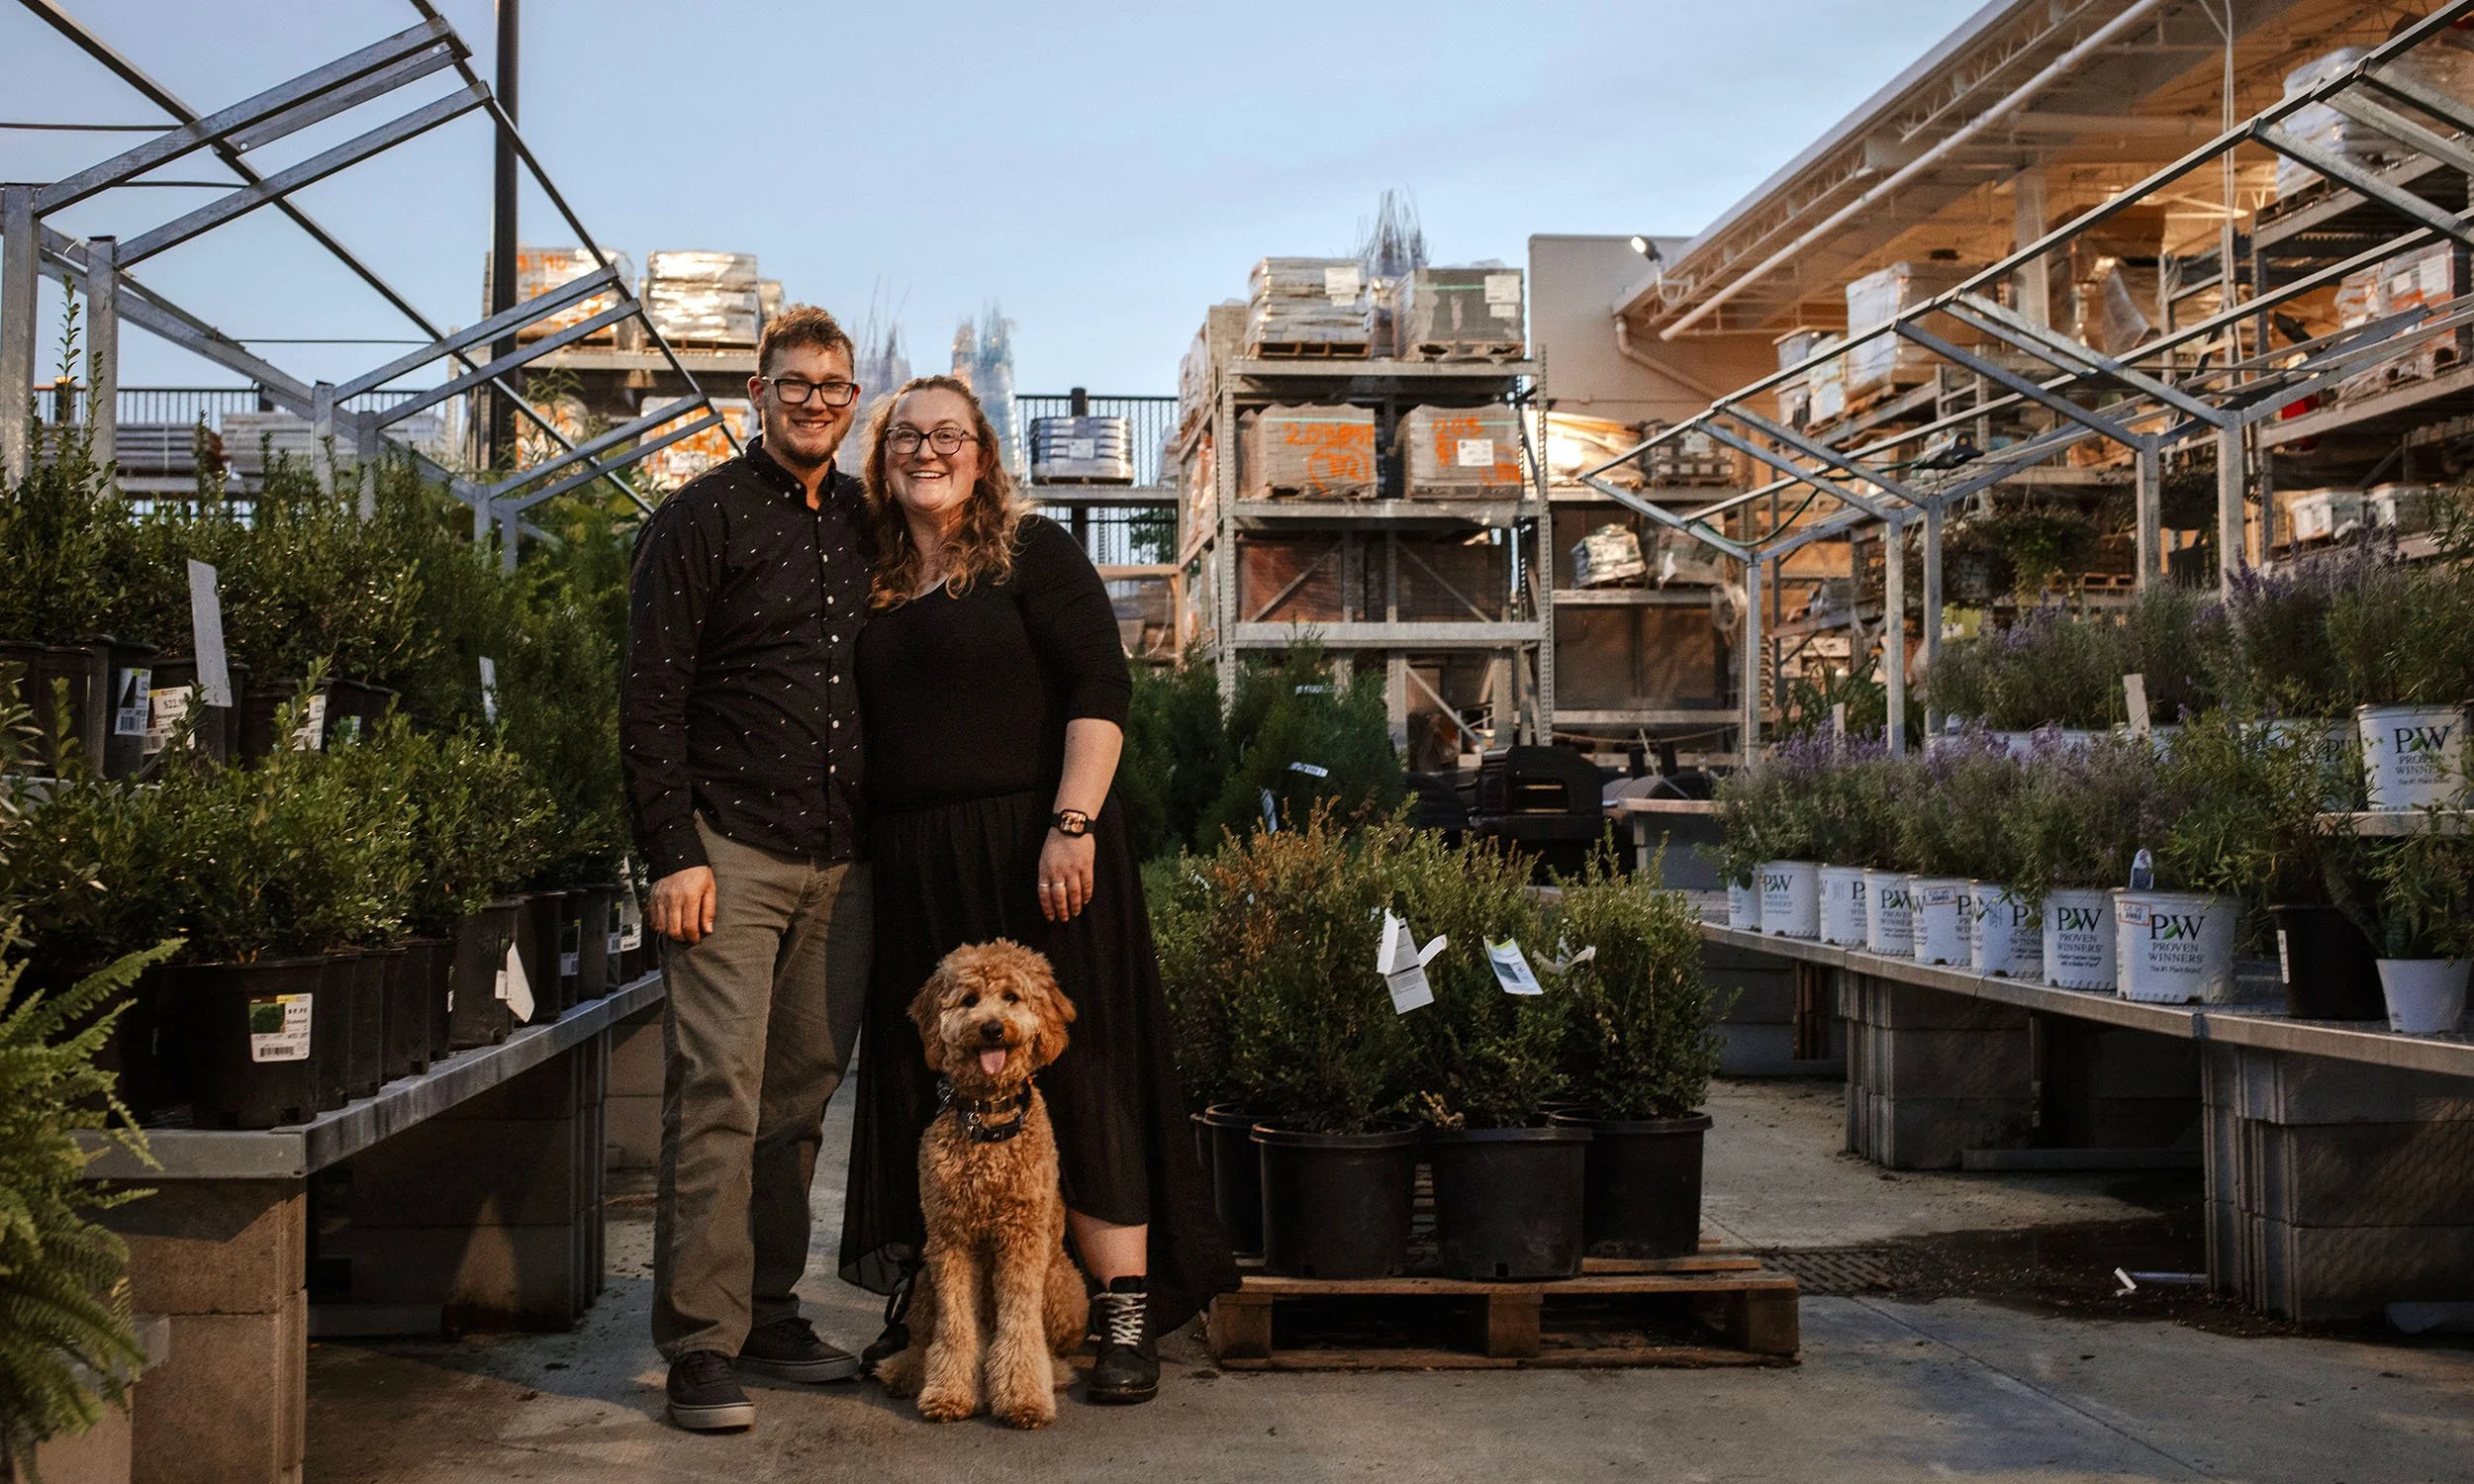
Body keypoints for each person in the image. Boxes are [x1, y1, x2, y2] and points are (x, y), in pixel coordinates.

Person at [838, 375, 1234, 1407]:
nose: (927, 451)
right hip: (919, 861)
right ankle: (942, 1311)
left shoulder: (1031, 552)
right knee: (938, 1080)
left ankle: (1124, 1313)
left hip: (1039, 845)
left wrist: (1074, 822)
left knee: (1087, 1072)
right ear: (881, 456)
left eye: (949, 435)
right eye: (906, 436)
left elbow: (1103, 685)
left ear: (983, 453)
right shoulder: (871, 577)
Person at [618, 305, 874, 1433]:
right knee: (717, 1086)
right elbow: (649, 694)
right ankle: (701, 1344)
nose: (815, 400)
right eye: (795, 383)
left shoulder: (872, 523)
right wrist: (671, 851)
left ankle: (771, 1308)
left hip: (845, 855)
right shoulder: (700, 519)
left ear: (853, 401)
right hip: (728, 848)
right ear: (756, 397)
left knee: (801, 1096)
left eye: (834, 386)